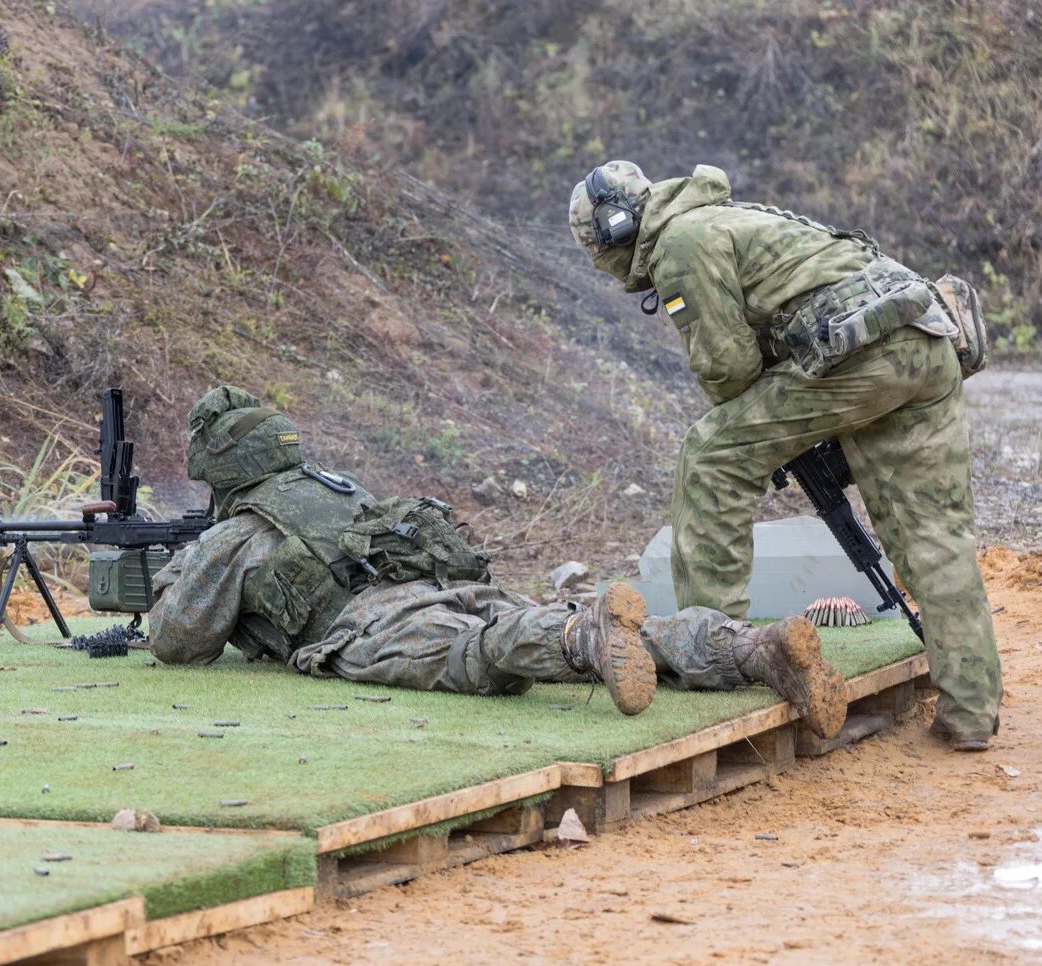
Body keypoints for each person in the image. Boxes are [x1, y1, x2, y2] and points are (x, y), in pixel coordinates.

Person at [567, 160, 1003, 750]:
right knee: (933, 537)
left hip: (861, 356)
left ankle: (709, 653)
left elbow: (729, 368)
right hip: (926, 343)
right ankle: (971, 713)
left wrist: (760, 429)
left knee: (712, 455)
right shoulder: (718, 220)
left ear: (615, 231)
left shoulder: (680, 246)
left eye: (596, 249)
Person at [148, 386, 846, 738]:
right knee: (551, 617)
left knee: (478, 657)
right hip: (451, 583)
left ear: (222, 467)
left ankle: (582, 640)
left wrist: (171, 577)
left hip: (373, 623)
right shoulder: (335, 489)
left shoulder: (238, 530)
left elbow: (180, 642)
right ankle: (752, 649)